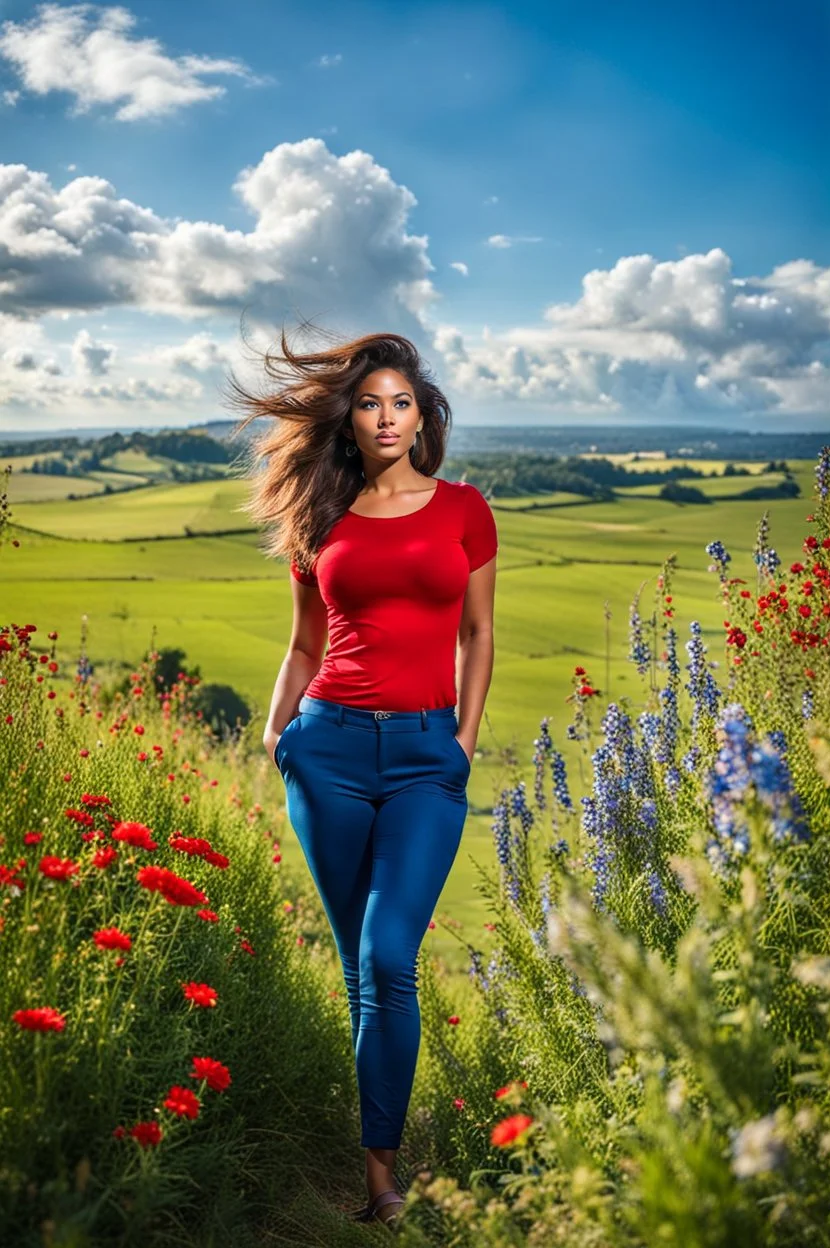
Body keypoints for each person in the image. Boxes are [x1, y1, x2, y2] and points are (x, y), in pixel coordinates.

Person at [225, 327, 498, 1230]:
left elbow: (477, 637)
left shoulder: (464, 510)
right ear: (352, 419)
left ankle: (381, 1175)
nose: (387, 417)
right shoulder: (321, 519)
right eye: (371, 403)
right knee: (359, 970)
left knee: (389, 958)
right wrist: (278, 734)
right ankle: (375, 1170)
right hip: (329, 751)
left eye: (403, 402)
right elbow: (307, 642)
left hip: (426, 760)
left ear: (425, 416)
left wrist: (459, 742)